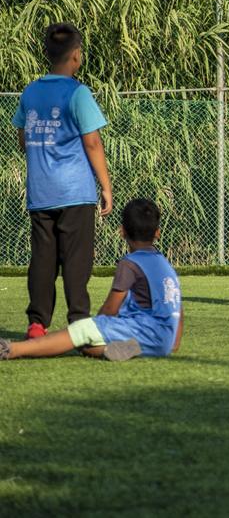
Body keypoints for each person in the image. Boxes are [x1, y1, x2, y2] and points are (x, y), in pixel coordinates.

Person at [12, 22, 112, 339]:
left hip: (41, 192)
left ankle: (37, 323)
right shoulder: (77, 93)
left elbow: (22, 139)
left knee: (43, 258)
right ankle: (79, 321)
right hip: (74, 192)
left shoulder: (31, 91)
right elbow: (92, 143)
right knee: (76, 259)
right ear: (76, 56)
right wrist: (106, 186)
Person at [0, 199, 182, 361]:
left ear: (122, 231)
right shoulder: (165, 265)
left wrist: (96, 325)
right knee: (84, 345)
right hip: (164, 342)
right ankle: (122, 350)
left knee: (82, 330)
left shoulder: (130, 264)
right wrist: (172, 343)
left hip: (143, 332)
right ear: (157, 233)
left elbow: (111, 309)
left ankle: (11, 349)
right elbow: (178, 310)